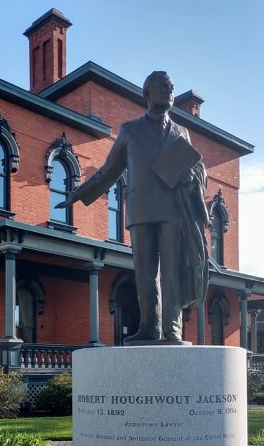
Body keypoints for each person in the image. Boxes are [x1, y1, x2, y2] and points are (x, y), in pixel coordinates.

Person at [57, 70, 209, 344]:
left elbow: (197, 170)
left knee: (172, 273)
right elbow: (109, 170)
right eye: (162, 86)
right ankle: (149, 328)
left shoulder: (181, 132)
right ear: (147, 94)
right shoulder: (130, 130)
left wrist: (190, 179)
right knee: (146, 275)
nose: (169, 89)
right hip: (141, 211)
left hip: (173, 211)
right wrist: (79, 193)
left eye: (171, 86)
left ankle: (173, 330)